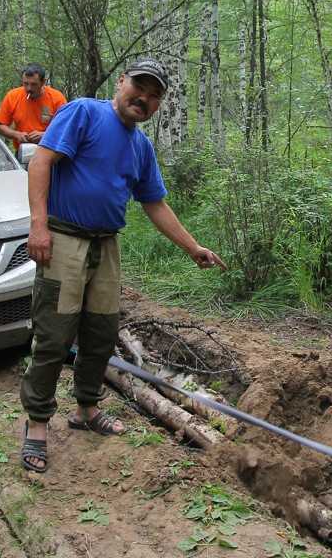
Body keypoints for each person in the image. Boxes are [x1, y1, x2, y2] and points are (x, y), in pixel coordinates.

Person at [19, 58, 226, 473]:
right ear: (121, 83)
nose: (144, 100)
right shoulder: (83, 112)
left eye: (154, 97)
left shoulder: (141, 147)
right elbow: (41, 162)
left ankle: (86, 410)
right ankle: (37, 425)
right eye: (139, 88)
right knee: (54, 337)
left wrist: (193, 247)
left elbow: (154, 203)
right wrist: (39, 227)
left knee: (100, 334)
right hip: (63, 240)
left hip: (106, 246)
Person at [0, 64, 68, 151]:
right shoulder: (13, 96)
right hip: (23, 151)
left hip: (50, 151)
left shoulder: (56, 98)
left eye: (34, 84)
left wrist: (45, 135)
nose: (29, 88)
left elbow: (67, 127)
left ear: (43, 82)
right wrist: (16, 134)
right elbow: (0, 126)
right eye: (25, 83)